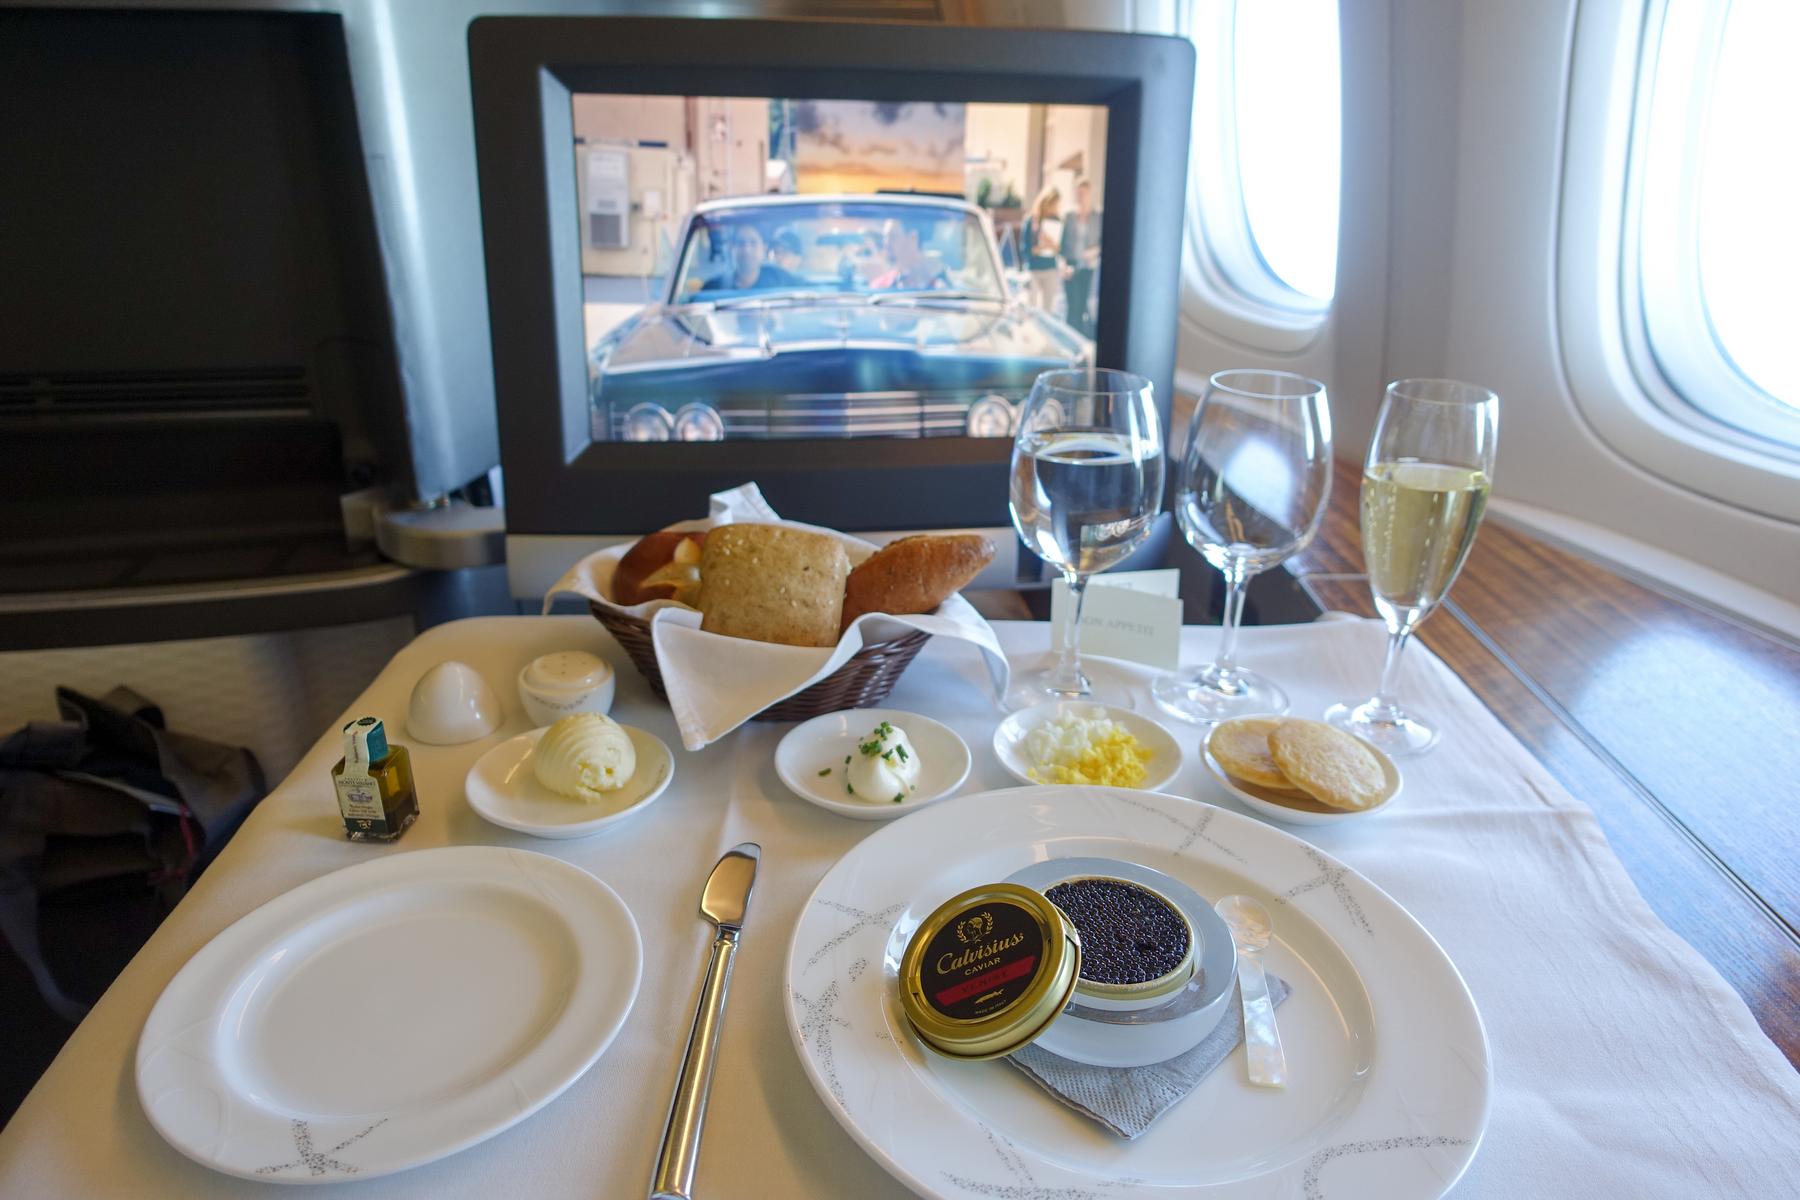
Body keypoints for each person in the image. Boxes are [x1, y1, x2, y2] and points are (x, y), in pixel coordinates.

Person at [1059, 179, 1101, 337]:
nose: (1080, 197)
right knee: (1072, 306)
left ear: (1090, 194)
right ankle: (1070, 341)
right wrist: (1062, 265)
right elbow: (1061, 244)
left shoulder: (1097, 216)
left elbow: (1103, 242)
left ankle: (1083, 342)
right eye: (1078, 193)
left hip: (1088, 267)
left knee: (1083, 305)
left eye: (1083, 193)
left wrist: (1093, 252)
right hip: (1070, 266)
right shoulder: (1069, 216)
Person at [702, 224, 798, 292]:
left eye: (753, 243)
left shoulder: (781, 280)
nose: (747, 250)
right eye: (741, 243)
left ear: (764, 248)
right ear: (732, 248)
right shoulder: (713, 288)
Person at [870, 217, 949, 291]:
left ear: (912, 238)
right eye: (885, 237)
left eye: (893, 237)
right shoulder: (880, 286)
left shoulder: (939, 286)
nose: (886, 243)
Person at [1020, 186, 1063, 315]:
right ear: (1046, 203)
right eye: (1053, 204)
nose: (1055, 208)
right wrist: (1039, 249)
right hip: (1034, 270)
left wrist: (1051, 244)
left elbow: (1061, 249)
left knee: (1048, 310)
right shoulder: (1031, 221)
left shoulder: (1057, 221)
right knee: (1031, 308)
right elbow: (1024, 249)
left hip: (1050, 269)